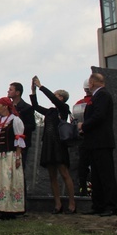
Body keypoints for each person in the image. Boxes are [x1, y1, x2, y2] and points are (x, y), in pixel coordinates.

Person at [31, 76, 76, 214]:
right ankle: (57, 204)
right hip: (49, 144)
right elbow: (36, 107)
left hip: (59, 144)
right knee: (52, 175)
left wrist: (41, 86)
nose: (55, 97)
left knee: (64, 173)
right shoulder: (51, 111)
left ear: (61, 98)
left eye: (57, 95)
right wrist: (33, 91)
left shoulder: (63, 109)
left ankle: (72, 203)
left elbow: (52, 98)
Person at [77, 73, 117, 216]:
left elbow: (99, 115)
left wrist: (84, 125)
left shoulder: (103, 95)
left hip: (102, 142)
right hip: (93, 142)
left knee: (105, 175)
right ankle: (98, 205)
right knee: (96, 176)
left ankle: (110, 206)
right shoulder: (96, 96)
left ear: (92, 83)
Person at [0, 96, 26, 214]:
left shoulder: (15, 120)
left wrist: (17, 157)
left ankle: (9, 208)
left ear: (6, 106)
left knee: (7, 179)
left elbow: (18, 140)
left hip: (9, 156)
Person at [71, 78, 92, 196]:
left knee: (82, 164)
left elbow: (74, 121)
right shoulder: (96, 101)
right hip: (95, 136)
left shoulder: (78, 104)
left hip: (81, 137)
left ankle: (83, 187)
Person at [8, 82, 35, 168]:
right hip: (9, 143)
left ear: (17, 92)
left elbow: (32, 126)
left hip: (22, 143)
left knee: (19, 168)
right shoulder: (8, 107)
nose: (8, 91)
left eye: (11, 90)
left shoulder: (27, 108)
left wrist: (18, 128)